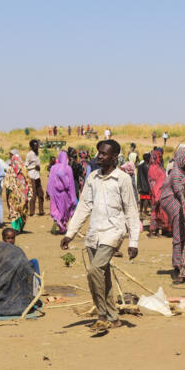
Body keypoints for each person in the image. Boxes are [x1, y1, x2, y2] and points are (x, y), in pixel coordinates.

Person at [61, 139, 140, 332]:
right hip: (94, 233)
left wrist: (134, 241)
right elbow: (84, 206)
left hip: (113, 232)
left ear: (114, 157)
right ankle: (113, 318)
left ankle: (102, 315)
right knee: (102, 277)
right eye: (99, 153)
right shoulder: (93, 177)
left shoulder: (122, 179)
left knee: (94, 270)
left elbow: (131, 210)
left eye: (104, 154)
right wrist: (70, 233)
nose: (99, 156)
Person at [160, 148, 185, 279]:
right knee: (179, 234)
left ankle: (181, 264)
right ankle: (178, 266)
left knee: (182, 233)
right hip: (174, 204)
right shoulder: (177, 173)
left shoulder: (180, 172)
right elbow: (179, 192)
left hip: (176, 203)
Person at [47, 151, 78, 234]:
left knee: (56, 208)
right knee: (64, 210)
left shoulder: (53, 168)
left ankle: (59, 223)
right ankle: (62, 225)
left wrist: (49, 192)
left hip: (55, 193)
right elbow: (71, 184)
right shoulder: (68, 168)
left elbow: (50, 181)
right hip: (65, 193)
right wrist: (73, 197)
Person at [2, 150, 30, 232]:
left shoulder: (11, 170)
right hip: (22, 195)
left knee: (14, 210)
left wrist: (8, 193)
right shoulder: (24, 169)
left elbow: (7, 184)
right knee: (21, 210)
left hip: (14, 195)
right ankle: (19, 227)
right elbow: (29, 182)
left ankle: (16, 228)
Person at [148, 150, 169, 236]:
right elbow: (155, 183)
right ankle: (152, 231)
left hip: (157, 194)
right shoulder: (155, 169)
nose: (161, 158)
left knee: (158, 212)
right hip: (157, 194)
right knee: (155, 212)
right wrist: (157, 195)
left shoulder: (153, 168)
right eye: (159, 157)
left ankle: (157, 230)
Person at [25, 140, 44, 216]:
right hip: (31, 176)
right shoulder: (29, 154)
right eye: (35, 146)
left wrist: (38, 168)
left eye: (37, 145)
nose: (37, 147)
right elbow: (26, 166)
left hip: (37, 176)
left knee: (41, 193)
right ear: (32, 146)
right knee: (33, 194)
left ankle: (41, 211)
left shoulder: (37, 153)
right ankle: (31, 212)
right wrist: (33, 167)